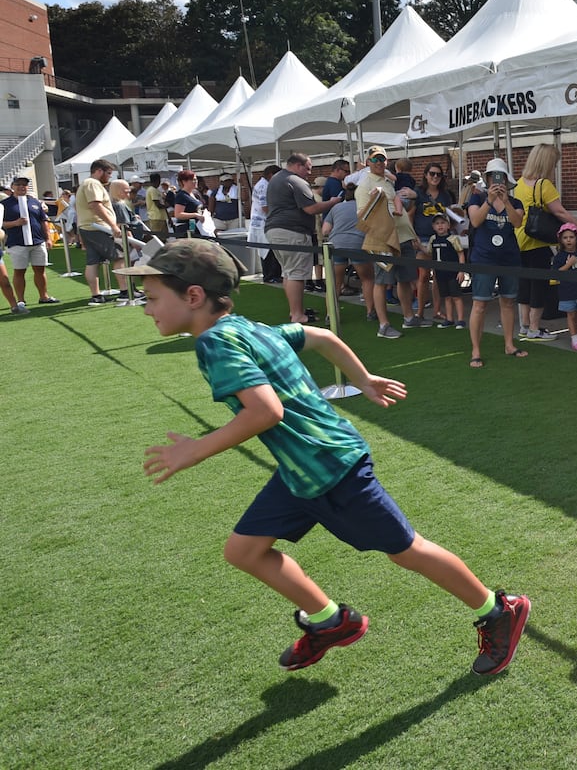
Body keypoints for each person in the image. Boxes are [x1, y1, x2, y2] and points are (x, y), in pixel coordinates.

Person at [123, 238, 529, 676]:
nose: (147, 309)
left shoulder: (216, 345)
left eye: (152, 298)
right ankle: (330, 621)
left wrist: (193, 451)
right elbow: (320, 336)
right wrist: (365, 378)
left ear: (194, 296)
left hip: (332, 468)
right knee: (244, 551)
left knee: (406, 549)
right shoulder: (249, 329)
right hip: (302, 471)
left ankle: (497, 610)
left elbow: (266, 411)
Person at [513, 143, 577, 342]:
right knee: (539, 286)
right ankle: (534, 328)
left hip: (519, 239)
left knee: (524, 285)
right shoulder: (544, 185)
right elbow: (560, 212)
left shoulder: (519, 183)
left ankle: (525, 327)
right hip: (537, 242)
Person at [465, 157, 528, 366]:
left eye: (499, 177)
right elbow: (475, 221)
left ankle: (509, 344)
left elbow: (517, 222)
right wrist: (489, 200)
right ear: (487, 178)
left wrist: (506, 200)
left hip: (509, 258)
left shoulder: (516, 202)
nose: (496, 181)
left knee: (508, 301)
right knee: (479, 304)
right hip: (484, 258)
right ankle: (475, 350)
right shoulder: (477, 199)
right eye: (492, 177)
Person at [266, 153, 339, 326]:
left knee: (289, 272)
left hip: (276, 231)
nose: (309, 173)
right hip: (292, 232)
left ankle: (295, 310)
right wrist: (334, 202)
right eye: (308, 169)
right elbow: (311, 208)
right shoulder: (295, 181)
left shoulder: (277, 178)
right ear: (298, 166)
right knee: (296, 274)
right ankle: (298, 315)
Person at [354, 147, 422, 333]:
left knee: (405, 279)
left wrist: (412, 235)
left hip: (403, 237)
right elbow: (361, 216)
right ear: (368, 162)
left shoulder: (387, 182)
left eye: (382, 159)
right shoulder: (365, 185)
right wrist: (374, 202)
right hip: (383, 239)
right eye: (375, 160)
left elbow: (398, 208)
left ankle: (408, 317)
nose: (379, 163)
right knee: (382, 282)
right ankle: (383, 325)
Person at [410, 162, 456, 323]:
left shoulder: (445, 195)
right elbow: (410, 215)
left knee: (438, 276)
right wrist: (412, 236)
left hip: (441, 239)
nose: (435, 177)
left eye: (438, 174)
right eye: (432, 173)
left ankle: (437, 311)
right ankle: (420, 312)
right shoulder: (418, 193)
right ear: (426, 175)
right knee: (423, 276)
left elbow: (451, 216)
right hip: (422, 237)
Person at [321, 184, 375, 320]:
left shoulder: (336, 208)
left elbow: (325, 230)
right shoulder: (365, 208)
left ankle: (330, 314)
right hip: (358, 244)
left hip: (336, 244)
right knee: (367, 279)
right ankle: (370, 312)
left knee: (335, 282)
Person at [3, 175, 58, 308]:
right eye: (18, 184)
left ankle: (44, 296)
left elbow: (43, 221)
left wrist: (48, 238)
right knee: (19, 271)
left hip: (37, 241)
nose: (22, 187)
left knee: (40, 269)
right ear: (12, 187)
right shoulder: (4, 204)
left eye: (24, 184)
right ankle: (21, 300)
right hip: (17, 242)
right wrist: (15, 223)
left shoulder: (34, 202)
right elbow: (1, 224)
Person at [76, 159, 122, 305]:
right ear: (99, 171)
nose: (109, 177)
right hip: (98, 227)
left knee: (92, 261)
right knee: (119, 257)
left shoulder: (87, 184)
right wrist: (113, 225)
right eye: (108, 173)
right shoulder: (92, 183)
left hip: (88, 227)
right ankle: (126, 291)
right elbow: (95, 205)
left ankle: (96, 295)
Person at [551, 223, 577, 351]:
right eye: (565, 237)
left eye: (571, 237)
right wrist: (569, 264)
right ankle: (574, 338)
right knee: (571, 315)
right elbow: (556, 273)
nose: (568, 240)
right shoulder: (560, 257)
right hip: (566, 292)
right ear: (561, 240)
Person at [424, 212, 466, 328]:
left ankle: (461, 319)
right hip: (440, 273)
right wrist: (418, 246)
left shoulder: (453, 239)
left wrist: (461, 270)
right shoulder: (433, 239)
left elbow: (461, 254)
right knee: (446, 297)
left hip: (453, 273)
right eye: (437, 223)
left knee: (456, 296)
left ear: (448, 225)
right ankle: (449, 318)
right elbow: (428, 252)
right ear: (433, 226)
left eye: (443, 223)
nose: (440, 226)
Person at [251, 164, 283, 284]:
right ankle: (270, 275)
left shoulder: (264, 184)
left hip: (264, 221)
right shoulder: (263, 186)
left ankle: (274, 274)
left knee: (271, 249)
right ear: (271, 175)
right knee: (268, 250)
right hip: (264, 222)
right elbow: (265, 207)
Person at [144, 173, 169, 237]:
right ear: (157, 180)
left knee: (164, 236)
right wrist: (167, 205)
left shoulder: (155, 190)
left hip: (160, 216)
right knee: (158, 237)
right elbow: (158, 204)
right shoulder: (152, 190)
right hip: (156, 217)